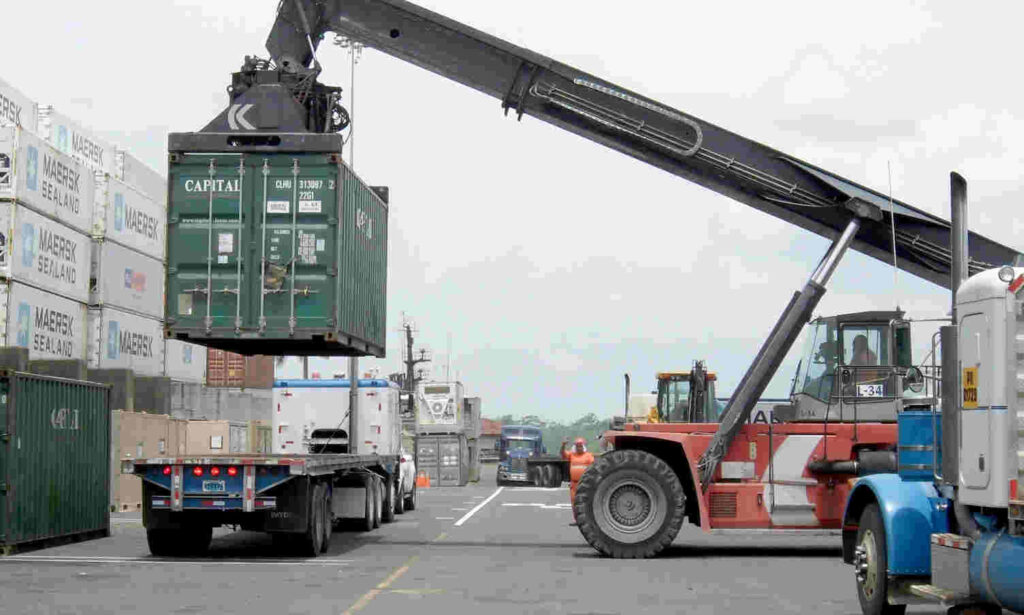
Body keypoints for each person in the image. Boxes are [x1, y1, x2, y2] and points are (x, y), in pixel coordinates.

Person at [560, 437, 595, 526]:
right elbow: (563, 454)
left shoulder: (588, 456)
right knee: (574, 503)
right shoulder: (572, 455)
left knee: (585, 502)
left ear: (583, 446)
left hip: (584, 483)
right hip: (574, 484)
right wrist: (563, 445)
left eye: (580, 446)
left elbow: (594, 468)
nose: (579, 448)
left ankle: (587, 520)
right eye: (577, 446)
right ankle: (577, 520)